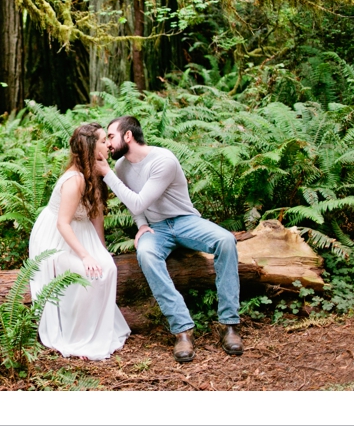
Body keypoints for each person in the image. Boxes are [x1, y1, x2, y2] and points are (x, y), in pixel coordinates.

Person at [95, 115, 243, 363]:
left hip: (185, 221)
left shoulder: (163, 160)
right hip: (157, 229)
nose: (108, 144)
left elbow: (139, 200)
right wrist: (141, 225)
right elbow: (135, 204)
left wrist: (108, 174)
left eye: (111, 136)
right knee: (146, 253)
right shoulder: (120, 168)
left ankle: (229, 325)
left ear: (128, 136)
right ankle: (183, 329)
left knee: (226, 240)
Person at [29, 122, 131, 360]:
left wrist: (101, 249)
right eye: (104, 141)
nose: (108, 145)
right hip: (55, 238)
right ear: (92, 147)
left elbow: (96, 214)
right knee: (87, 273)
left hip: (81, 230)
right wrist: (85, 256)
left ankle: (96, 329)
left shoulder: (97, 171)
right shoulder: (74, 180)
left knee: (108, 267)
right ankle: (78, 335)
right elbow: (62, 223)